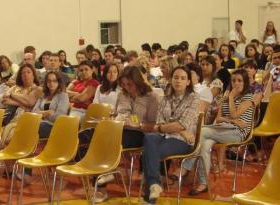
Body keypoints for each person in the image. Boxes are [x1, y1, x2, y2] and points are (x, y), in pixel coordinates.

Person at [81, 66, 159, 203]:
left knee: (106, 139)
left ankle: (103, 183)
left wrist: (131, 122)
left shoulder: (151, 97)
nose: (127, 88)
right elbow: (119, 114)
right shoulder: (122, 94)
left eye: (130, 84)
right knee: (90, 136)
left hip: (140, 133)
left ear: (138, 81)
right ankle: (103, 176)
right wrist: (112, 120)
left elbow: (153, 123)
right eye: (123, 84)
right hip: (120, 128)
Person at [179, 69, 254, 196]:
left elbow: (235, 113)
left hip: (238, 132)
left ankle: (186, 167)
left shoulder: (248, 98)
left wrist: (230, 97)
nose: (236, 83)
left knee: (201, 131)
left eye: (239, 81)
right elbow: (219, 118)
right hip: (222, 128)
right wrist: (232, 120)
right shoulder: (226, 96)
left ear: (245, 82)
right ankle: (203, 184)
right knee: (205, 145)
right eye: (234, 80)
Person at [141, 66, 200, 204]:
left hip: (183, 142)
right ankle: (154, 186)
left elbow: (182, 124)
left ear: (188, 82)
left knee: (148, 152)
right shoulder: (165, 98)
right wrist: (177, 128)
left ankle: (150, 194)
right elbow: (159, 124)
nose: (178, 81)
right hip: (163, 137)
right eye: (176, 77)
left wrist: (178, 129)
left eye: (182, 78)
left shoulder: (194, 99)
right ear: (171, 80)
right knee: (149, 138)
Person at [33, 71, 69, 138]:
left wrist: (41, 115)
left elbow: (59, 117)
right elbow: (34, 111)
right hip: (40, 123)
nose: (51, 83)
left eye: (54, 81)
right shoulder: (43, 96)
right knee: (27, 123)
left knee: (33, 126)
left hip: (54, 126)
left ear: (59, 82)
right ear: (46, 83)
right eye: (49, 81)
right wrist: (47, 113)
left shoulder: (63, 96)